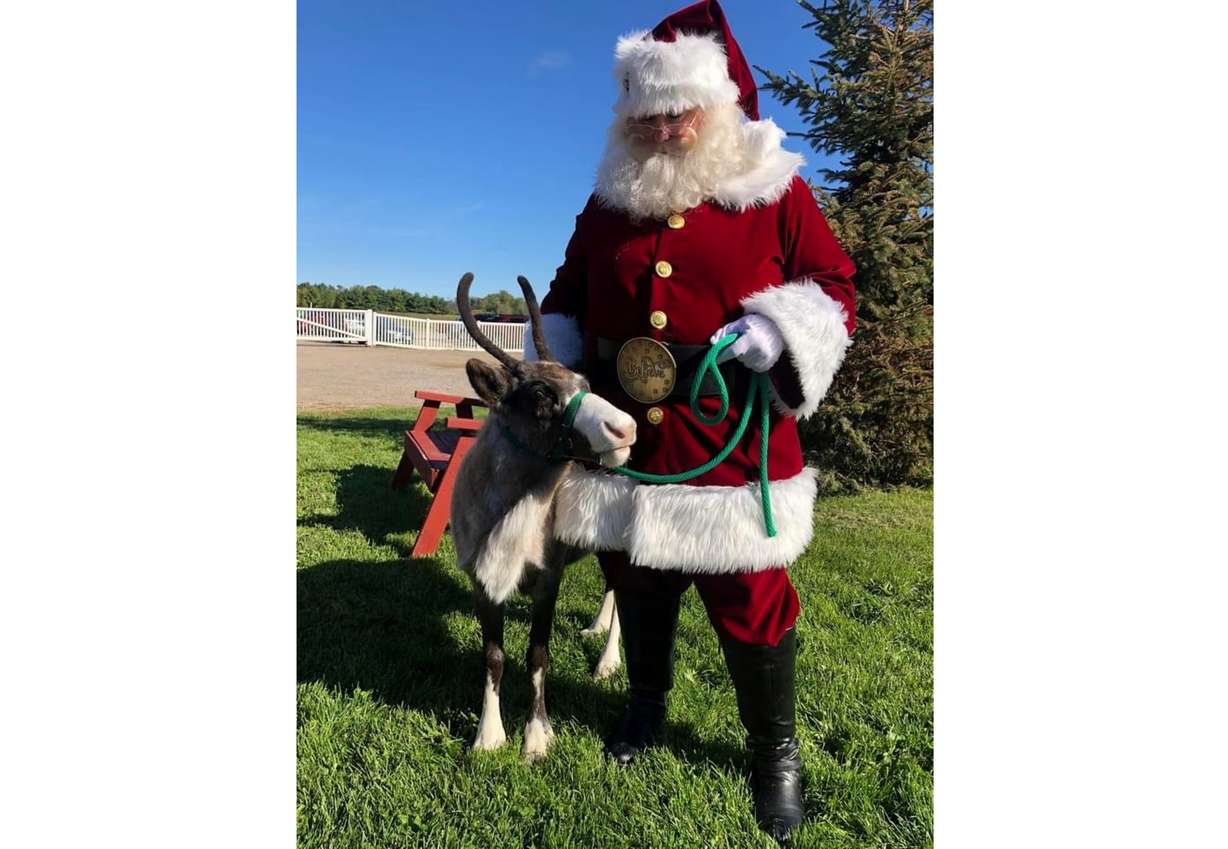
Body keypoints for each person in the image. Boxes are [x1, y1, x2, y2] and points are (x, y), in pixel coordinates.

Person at [524, 1, 856, 842]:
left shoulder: (773, 191)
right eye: (646, 114)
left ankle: (772, 752)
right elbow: (564, 298)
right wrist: (563, 382)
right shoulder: (608, 204)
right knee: (636, 580)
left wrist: (778, 328)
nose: (664, 128)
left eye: (679, 111)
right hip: (625, 440)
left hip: (732, 450)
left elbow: (835, 284)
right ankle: (644, 708)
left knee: (750, 599)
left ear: (717, 104)